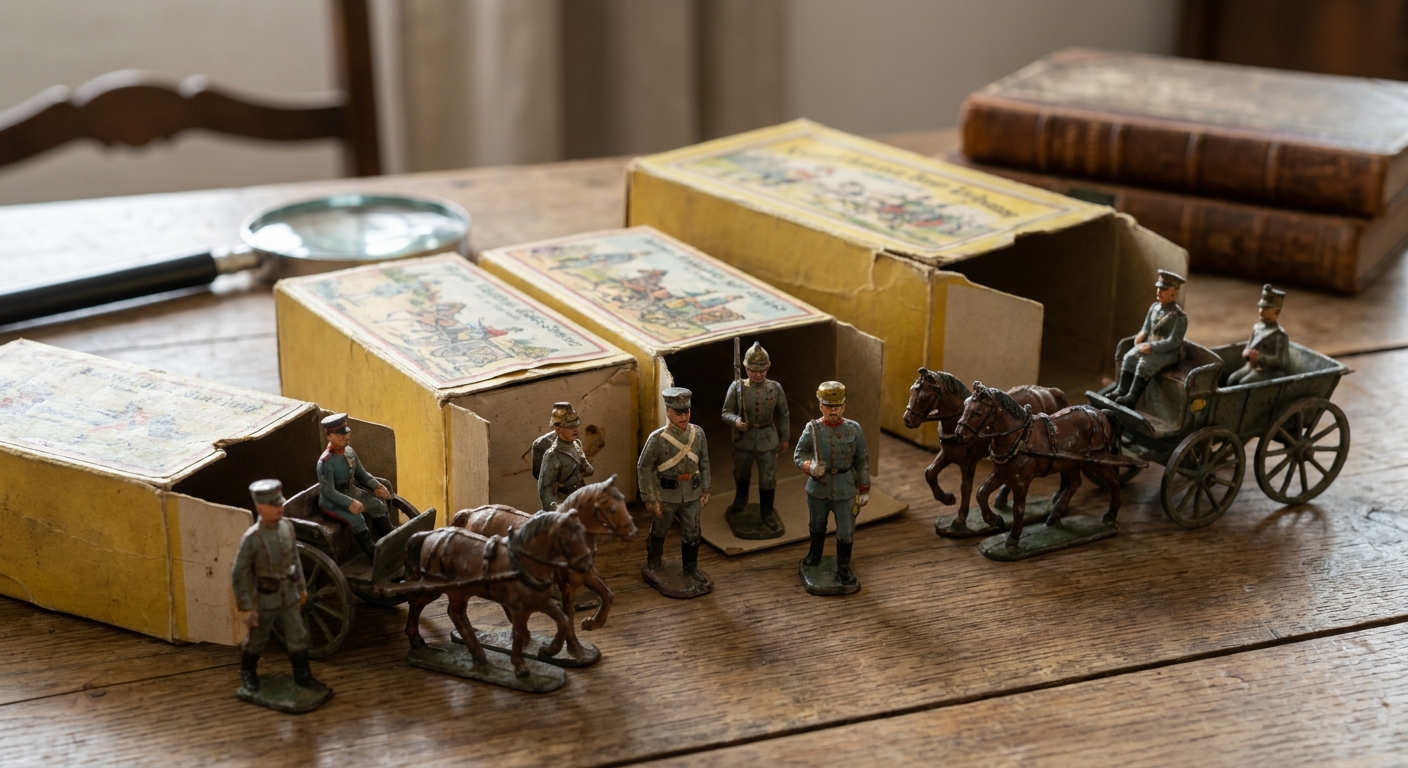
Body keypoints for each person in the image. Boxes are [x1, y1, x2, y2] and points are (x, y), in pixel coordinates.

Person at [232, 479, 329, 699]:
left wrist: (302, 589)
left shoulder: (286, 527)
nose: (279, 509)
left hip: (288, 595)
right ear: (260, 508)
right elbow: (239, 574)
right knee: (258, 638)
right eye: (274, 505)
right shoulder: (252, 538)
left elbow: (294, 559)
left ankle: (303, 676)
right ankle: (248, 673)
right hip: (264, 598)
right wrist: (247, 607)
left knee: (299, 635)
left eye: (280, 504)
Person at [794, 381, 870, 588]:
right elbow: (799, 455)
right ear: (821, 406)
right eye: (828, 406)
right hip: (819, 488)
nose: (833, 410)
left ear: (844, 406)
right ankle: (815, 555)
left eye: (837, 406)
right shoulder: (813, 429)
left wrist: (864, 489)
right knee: (817, 525)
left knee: (846, 530)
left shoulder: (854, 429)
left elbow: (862, 460)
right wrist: (810, 467)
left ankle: (844, 566)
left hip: (845, 489)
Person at [637, 387, 711, 593]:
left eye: (686, 411)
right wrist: (650, 498)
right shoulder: (658, 439)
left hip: (692, 493)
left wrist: (706, 488)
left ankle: (691, 568)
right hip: (666, 495)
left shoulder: (698, 434)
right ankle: (654, 563)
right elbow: (644, 467)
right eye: (678, 412)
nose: (684, 416)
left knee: (693, 533)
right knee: (660, 530)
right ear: (668, 411)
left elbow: (704, 462)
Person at [721, 342, 789, 531]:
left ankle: (767, 512)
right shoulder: (737, 387)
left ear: (767, 369)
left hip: (768, 439)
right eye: (753, 371)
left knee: (768, 477)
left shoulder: (775, 388)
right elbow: (725, 412)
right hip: (744, 440)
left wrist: (785, 438)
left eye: (762, 371)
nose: (758, 375)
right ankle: (741, 501)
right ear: (746, 369)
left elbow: (783, 414)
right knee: (741, 473)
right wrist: (735, 421)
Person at [317, 413, 392, 560]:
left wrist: (376, 486)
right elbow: (328, 491)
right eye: (339, 435)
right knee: (358, 520)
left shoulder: (350, 452)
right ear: (329, 436)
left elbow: (361, 474)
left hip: (350, 491)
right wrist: (349, 503)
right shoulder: (325, 462)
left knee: (378, 506)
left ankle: (390, 541)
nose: (344, 437)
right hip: (331, 501)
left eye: (345, 434)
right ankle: (374, 555)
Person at [1113, 270, 1188, 408]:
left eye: (1164, 289)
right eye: (1158, 288)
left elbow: (1174, 342)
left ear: (1174, 292)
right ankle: (1121, 390)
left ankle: (1132, 397)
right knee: (1129, 357)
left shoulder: (1179, 317)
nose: (1159, 291)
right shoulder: (1154, 307)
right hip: (1149, 346)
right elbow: (1146, 328)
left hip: (1168, 353)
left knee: (1144, 363)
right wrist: (1141, 335)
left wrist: (1152, 347)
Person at [535, 401, 595, 512]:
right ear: (558, 429)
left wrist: (585, 465)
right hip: (563, 501)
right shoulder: (552, 455)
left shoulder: (577, 444)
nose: (575, 429)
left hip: (580, 495)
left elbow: (587, 471)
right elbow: (545, 488)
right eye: (570, 427)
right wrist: (553, 507)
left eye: (576, 426)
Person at [1227, 284, 1289, 386]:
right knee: (1232, 379)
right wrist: (1246, 352)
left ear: (1276, 312)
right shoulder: (1257, 328)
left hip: (1269, 372)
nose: (1261, 311)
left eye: (1266, 309)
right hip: (1252, 366)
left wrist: (1260, 358)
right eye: (1260, 307)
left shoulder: (1280, 335)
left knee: (1244, 383)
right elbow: (1249, 345)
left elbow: (1281, 362)